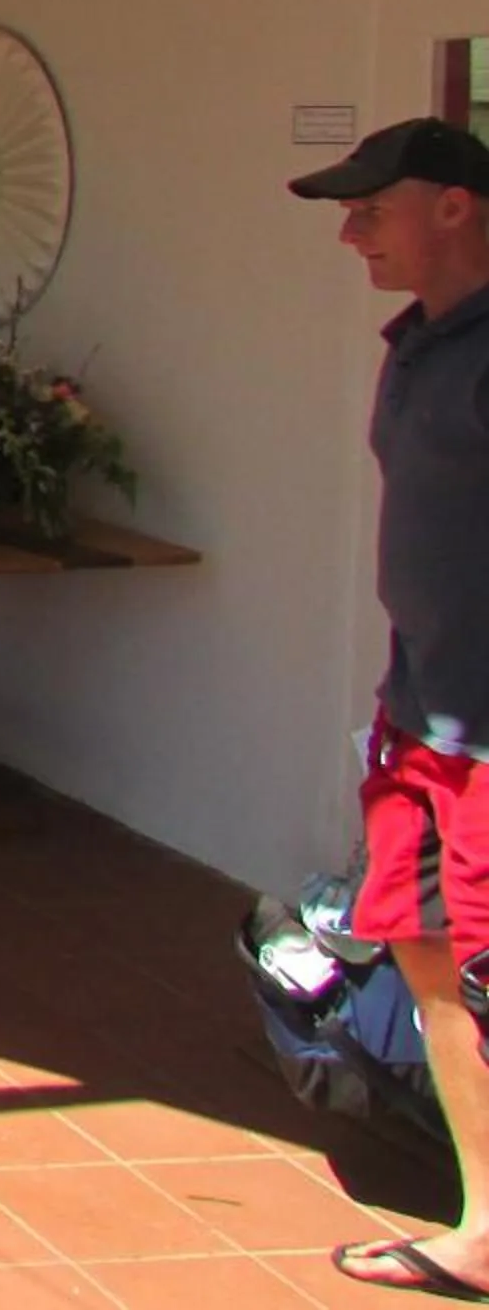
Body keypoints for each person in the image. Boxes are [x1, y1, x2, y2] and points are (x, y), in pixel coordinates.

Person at [294, 116, 489, 1300]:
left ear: (456, 205)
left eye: (373, 207)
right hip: (421, 710)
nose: (352, 231)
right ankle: (486, 1224)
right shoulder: (417, 344)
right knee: (427, 951)